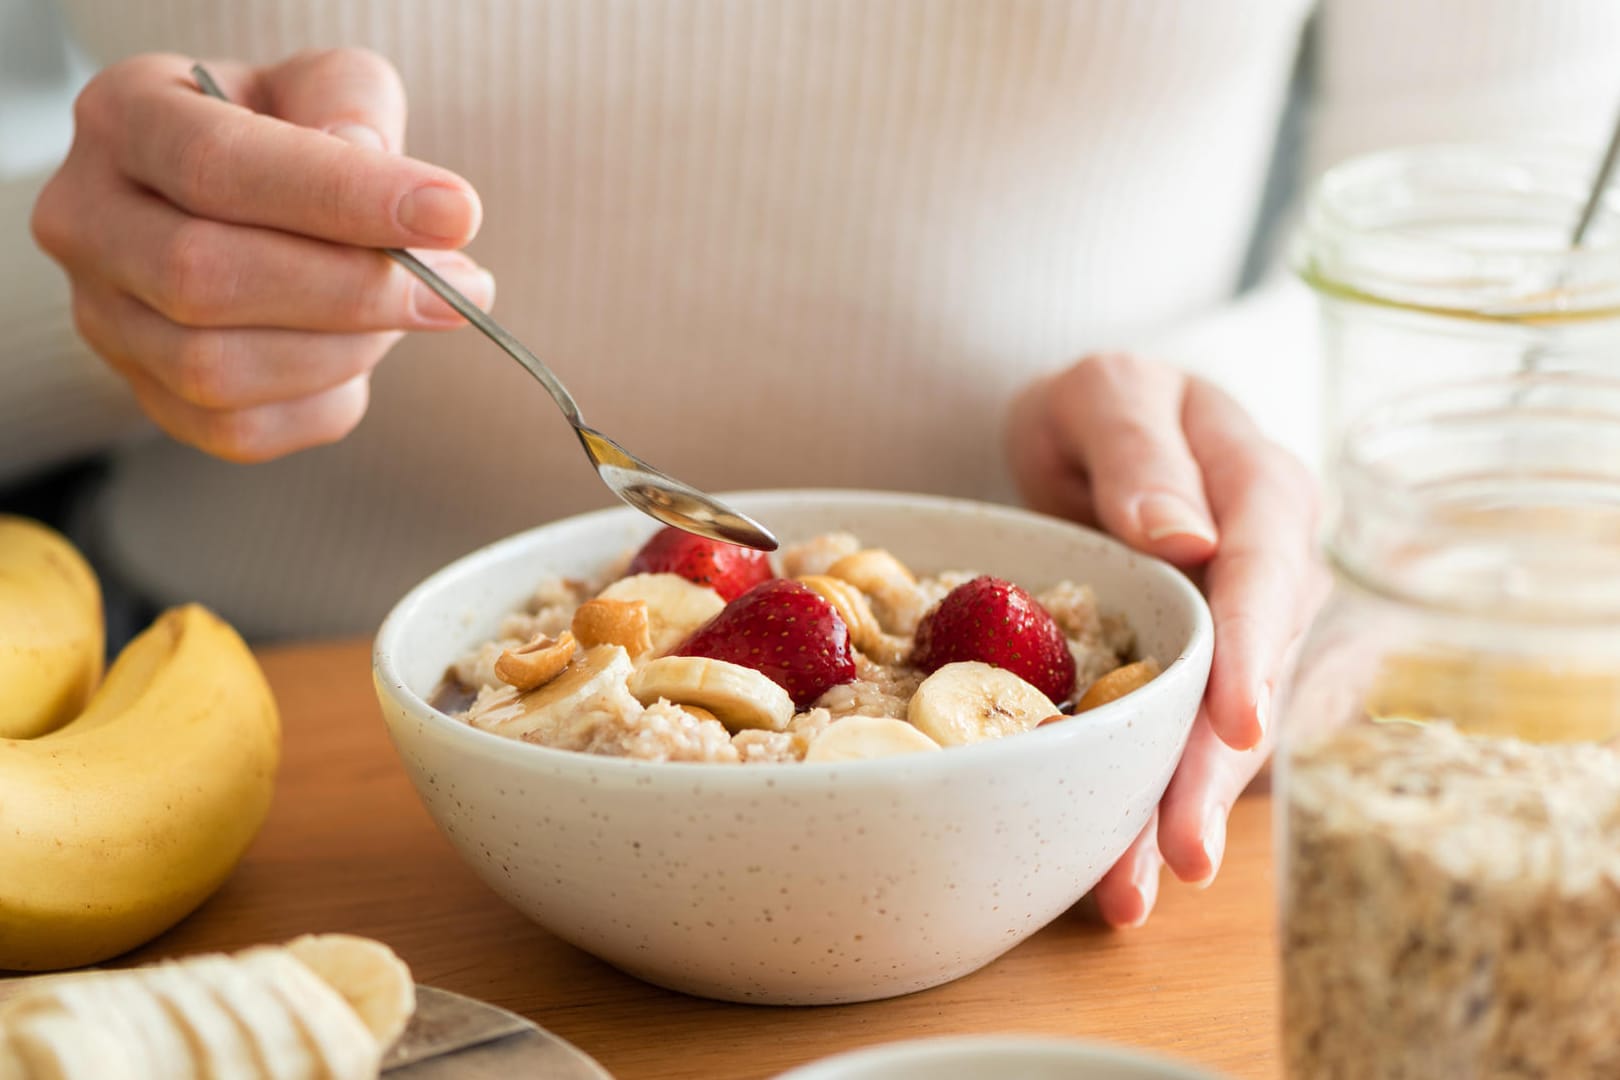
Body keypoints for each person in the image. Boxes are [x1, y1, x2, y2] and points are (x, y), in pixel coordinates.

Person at [2, 0, 1616, 930]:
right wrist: (95, 284)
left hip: (1070, 828)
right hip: (275, 788)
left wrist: (1241, 419)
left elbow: (1539, 221)